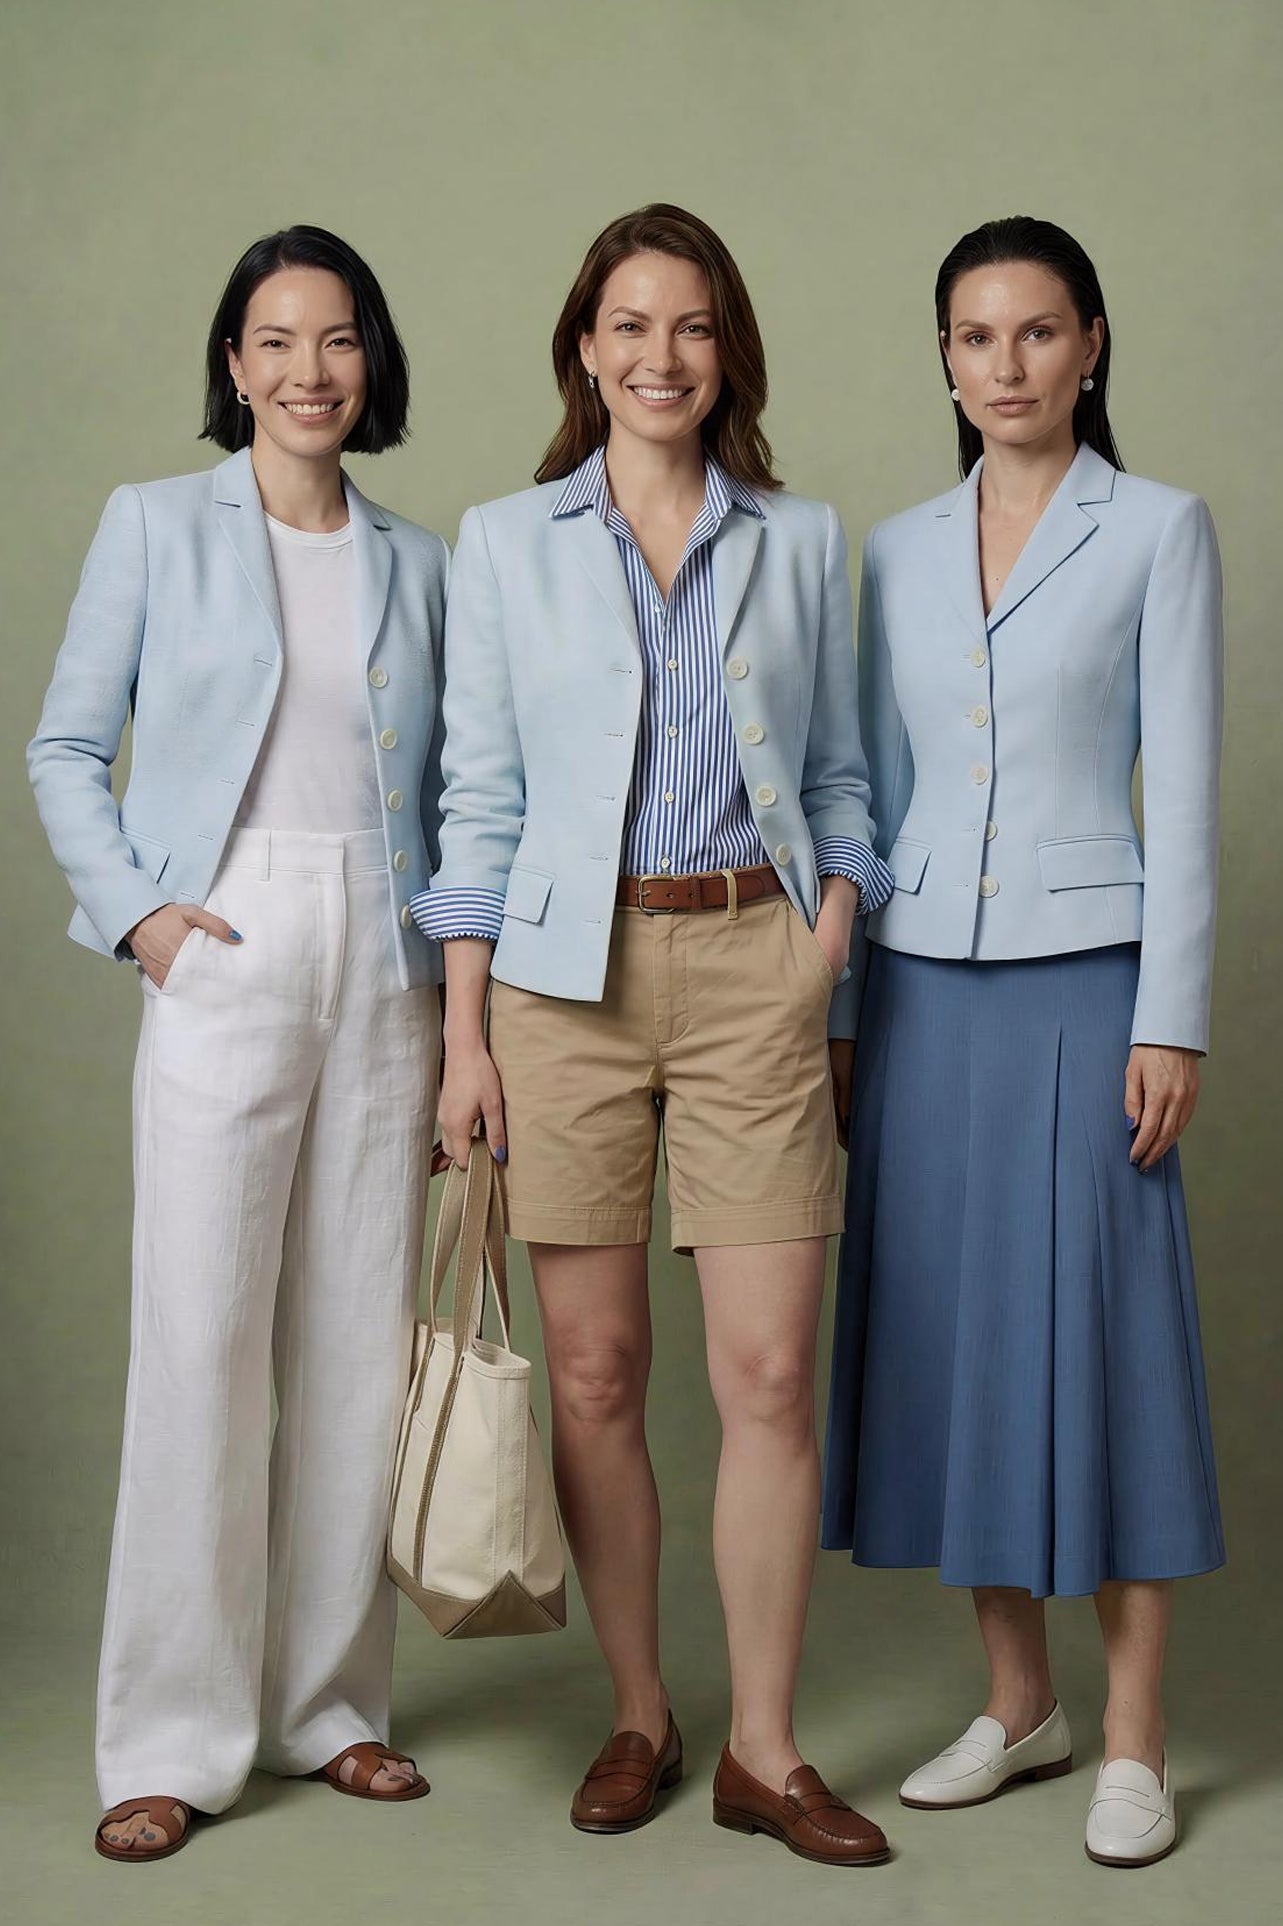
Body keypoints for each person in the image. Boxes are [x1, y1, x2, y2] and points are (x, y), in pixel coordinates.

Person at [417, 204, 893, 1867]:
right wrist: (464, 1034)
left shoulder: (801, 536)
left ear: (726, 349)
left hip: (760, 960)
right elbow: (474, 801)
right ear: (583, 349)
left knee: (768, 1370)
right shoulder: (504, 542)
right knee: (600, 1372)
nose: (659, 357)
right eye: (628, 325)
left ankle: (768, 1746)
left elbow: (841, 771)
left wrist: (835, 914)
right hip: (562, 983)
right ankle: (643, 1709)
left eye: (690, 327)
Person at [28, 225, 448, 1862]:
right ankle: (170, 1736)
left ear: (372, 361)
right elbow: (69, 739)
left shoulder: (418, 559)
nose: (308, 372)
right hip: (226, 933)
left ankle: (332, 1706)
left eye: (338, 340)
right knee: (201, 1340)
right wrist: (140, 911)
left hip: (389, 954)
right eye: (275, 341)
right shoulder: (154, 526)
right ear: (232, 365)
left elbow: (453, 783)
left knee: (357, 1337)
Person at [822, 215, 1224, 1869]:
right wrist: (848, 1014)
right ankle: (1019, 1700)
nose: (1006, 366)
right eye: (975, 339)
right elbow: (865, 791)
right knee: (954, 1338)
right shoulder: (898, 550)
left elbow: (1184, 792)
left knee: (1111, 1339)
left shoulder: (1159, 530)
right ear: (944, 358)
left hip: (1088, 981)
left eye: (1037, 333)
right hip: (921, 989)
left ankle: (1133, 1737)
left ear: (1093, 343)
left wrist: (1170, 1013)